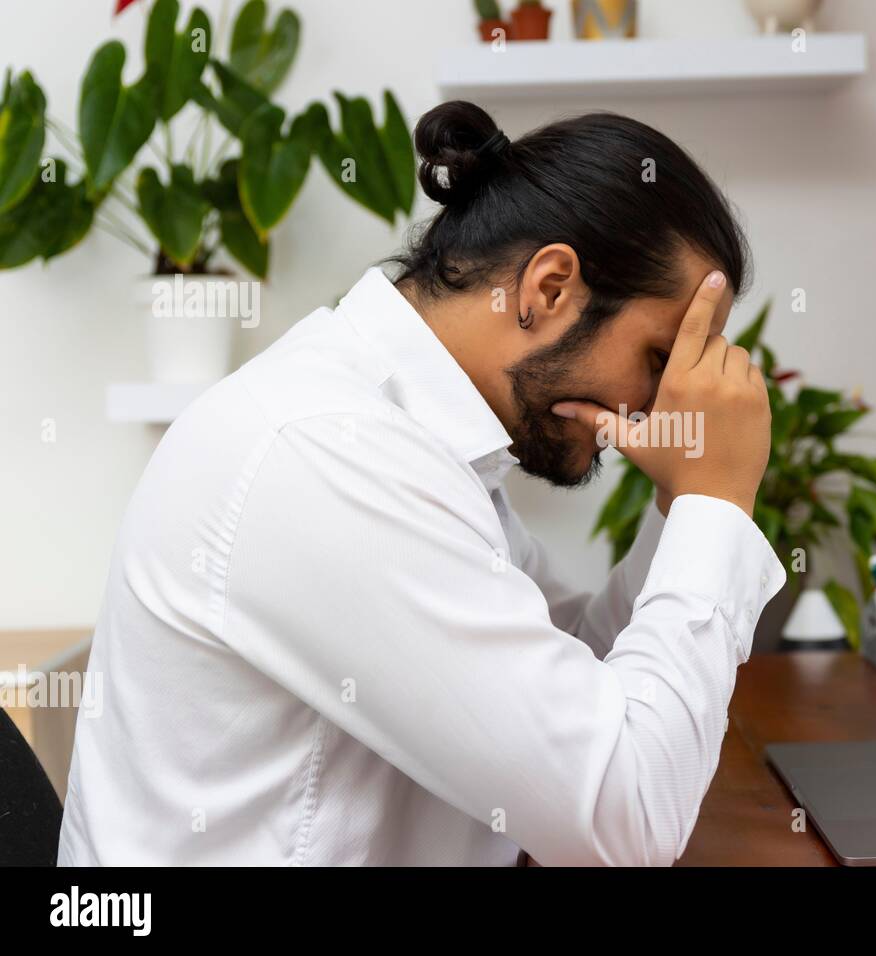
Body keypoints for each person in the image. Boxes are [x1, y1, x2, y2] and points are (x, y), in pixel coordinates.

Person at [58, 101, 785, 866]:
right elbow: (627, 814)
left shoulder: (419, 432)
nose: (660, 403)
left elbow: (576, 679)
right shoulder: (330, 452)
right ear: (547, 289)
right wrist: (716, 501)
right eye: (659, 360)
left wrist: (682, 504)